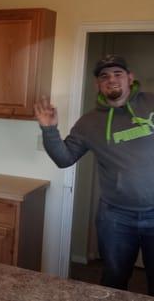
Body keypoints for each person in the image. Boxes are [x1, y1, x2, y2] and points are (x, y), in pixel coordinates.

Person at [35, 54, 154, 295]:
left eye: (118, 74)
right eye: (104, 76)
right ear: (98, 84)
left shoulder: (152, 103)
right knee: (114, 278)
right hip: (116, 217)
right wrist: (49, 129)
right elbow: (64, 159)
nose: (112, 80)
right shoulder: (88, 123)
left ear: (130, 78)